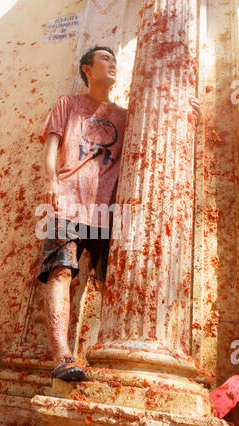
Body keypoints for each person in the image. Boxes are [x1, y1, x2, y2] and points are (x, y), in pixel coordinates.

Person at [37, 46, 201, 382]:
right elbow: (51, 145)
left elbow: (158, 125)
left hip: (108, 211)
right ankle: (62, 356)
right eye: (105, 60)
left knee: (112, 282)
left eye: (115, 61)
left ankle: (113, 354)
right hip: (66, 201)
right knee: (61, 272)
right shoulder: (68, 104)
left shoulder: (125, 116)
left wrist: (185, 110)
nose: (113, 65)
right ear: (87, 68)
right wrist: (50, 180)